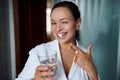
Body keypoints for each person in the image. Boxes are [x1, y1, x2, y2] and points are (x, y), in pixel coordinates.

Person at [16, 1, 100, 80]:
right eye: (53, 23)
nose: (58, 28)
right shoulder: (39, 52)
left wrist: (91, 69)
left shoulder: (87, 56)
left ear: (77, 23)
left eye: (64, 22)